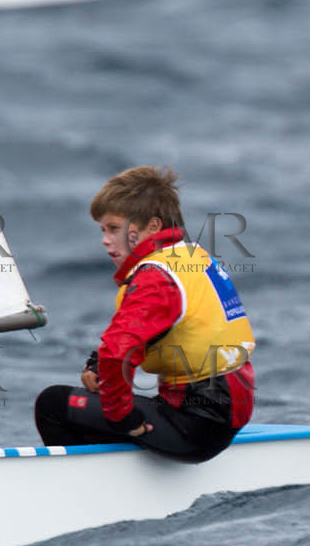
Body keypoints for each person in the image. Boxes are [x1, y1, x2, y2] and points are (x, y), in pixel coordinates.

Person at [33, 166, 256, 463]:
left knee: (52, 404)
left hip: (196, 425)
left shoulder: (155, 278)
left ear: (152, 227)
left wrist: (124, 418)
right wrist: (98, 369)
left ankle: (85, 494)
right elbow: (159, 332)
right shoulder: (190, 258)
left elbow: (117, 354)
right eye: (102, 230)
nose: (105, 239)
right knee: (106, 399)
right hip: (224, 412)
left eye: (114, 228)